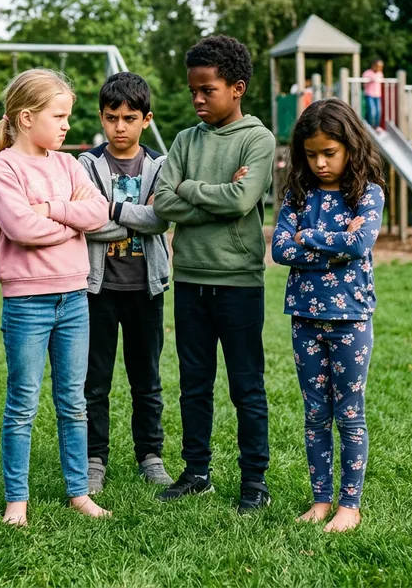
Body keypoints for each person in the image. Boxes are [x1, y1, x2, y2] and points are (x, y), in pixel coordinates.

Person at [153, 35, 276, 514]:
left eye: (208, 90)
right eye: (193, 91)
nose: (198, 99)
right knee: (194, 382)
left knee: (247, 385)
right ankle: (196, 471)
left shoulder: (257, 139)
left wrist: (189, 190)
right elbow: (163, 203)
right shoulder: (185, 140)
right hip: (188, 281)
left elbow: (242, 202)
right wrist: (213, 195)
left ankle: (255, 482)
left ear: (237, 88)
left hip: (239, 283)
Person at [0, 68, 111, 526]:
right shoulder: (3, 168)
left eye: (68, 116)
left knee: (73, 402)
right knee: (23, 403)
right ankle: (16, 498)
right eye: (58, 115)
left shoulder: (68, 165)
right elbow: (21, 228)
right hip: (27, 305)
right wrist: (68, 223)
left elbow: (97, 212)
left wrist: (52, 210)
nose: (66, 125)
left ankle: (78, 492)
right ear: (25, 117)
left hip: (74, 300)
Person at [271, 98, 385, 533]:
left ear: (350, 147)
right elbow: (281, 250)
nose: (319, 162)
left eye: (329, 153)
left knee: (349, 414)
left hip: (352, 319)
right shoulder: (298, 194)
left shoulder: (368, 192)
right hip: (304, 318)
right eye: (311, 153)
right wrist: (334, 243)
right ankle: (321, 500)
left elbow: (361, 245)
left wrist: (309, 238)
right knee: (315, 413)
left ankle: (349, 505)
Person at [78, 72, 172, 495]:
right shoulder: (85, 165)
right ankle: (94, 459)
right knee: (94, 381)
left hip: (146, 289)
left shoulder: (160, 167)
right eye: (112, 117)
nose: (120, 127)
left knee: (146, 380)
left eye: (129, 118)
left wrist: (111, 210)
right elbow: (85, 223)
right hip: (97, 289)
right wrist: (134, 218)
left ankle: (150, 455)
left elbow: (161, 219)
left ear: (146, 120)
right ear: (101, 117)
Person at [362, 58, 384, 128]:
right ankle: (369, 125)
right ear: (373, 65)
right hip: (369, 94)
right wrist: (370, 80)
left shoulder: (380, 74)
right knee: (372, 111)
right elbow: (364, 84)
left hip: (377, 95)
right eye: (378, 66)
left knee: (378, 111)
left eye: (381, 67)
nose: (380, 68)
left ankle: (376, 126)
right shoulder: (367, 73)